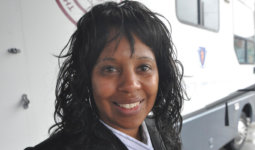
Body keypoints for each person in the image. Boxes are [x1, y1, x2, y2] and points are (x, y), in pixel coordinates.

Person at [25, 1, 186, 150]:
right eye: (110, 69)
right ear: (87, 78)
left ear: (161, 74)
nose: (130, 85)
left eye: (144, 67)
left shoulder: (161, 131)